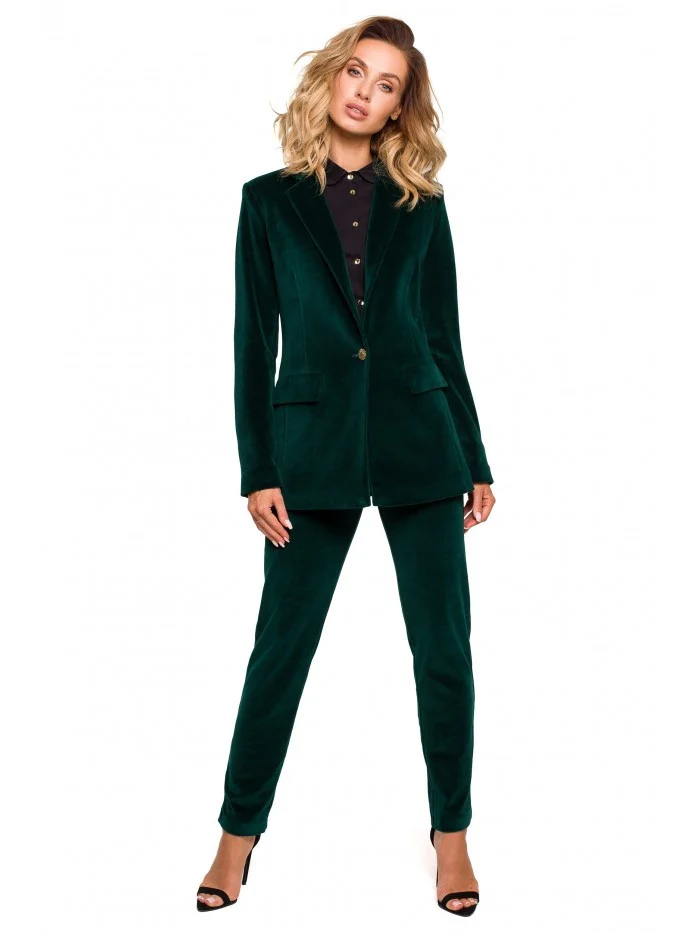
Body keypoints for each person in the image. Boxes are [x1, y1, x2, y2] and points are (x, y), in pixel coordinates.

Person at [196, 15, 496, 918]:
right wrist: (257, 468)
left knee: (444, 652)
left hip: (421, 445)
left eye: (387, 83)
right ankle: (235, 836)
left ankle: (452, 836)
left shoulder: (422, 205)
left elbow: (444, 338)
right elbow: (253, 344)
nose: (366, 91)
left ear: (401, 106)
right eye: (356, 72)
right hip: (311, 454)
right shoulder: (266, 202)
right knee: (279, 652)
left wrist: (476, 456)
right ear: (331, 78)